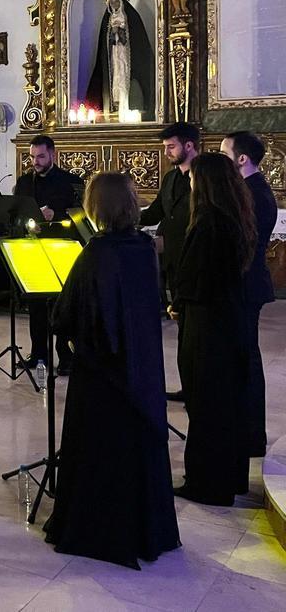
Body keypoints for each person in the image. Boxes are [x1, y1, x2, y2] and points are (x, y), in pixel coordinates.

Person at [43, 173, 181, 568]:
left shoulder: (96, 254)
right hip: (141, 368)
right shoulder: (142, 248)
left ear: (95, 207)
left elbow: (65, 317)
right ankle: (146, 528)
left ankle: (97, 527)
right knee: (139, 443)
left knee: (100, 446)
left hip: (102, 374)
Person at [173, 152, 255, 507]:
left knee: (206, 403)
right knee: (226, 403)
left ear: (203, 183)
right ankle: (231, 477)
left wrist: (176, 302)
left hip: (208, 325)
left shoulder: (207, 222)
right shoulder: (233, 215)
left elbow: (195, 278)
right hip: (228, 320)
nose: (189, 182)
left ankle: (208, 484)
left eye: (193, 178)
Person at [221, 131, 276, 458]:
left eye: (224, 151)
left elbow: (243, 245)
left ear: (241, 159)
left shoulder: (254, 193)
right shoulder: (250, 189)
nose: (218, 154)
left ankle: (252, 434)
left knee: (246, 361)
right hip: (244, 284)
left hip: (245, 285)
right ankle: (246, 430)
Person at [14, 134, 84, 372]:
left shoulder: (70, 181)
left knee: (62, 306)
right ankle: (38, 355)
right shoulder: (24, 182)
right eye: (32, 156)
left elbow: (80, 216)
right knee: (36, 306)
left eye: (41, 156)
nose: (36, 161)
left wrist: (58, 215)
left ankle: (66, 357)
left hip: (60, 248)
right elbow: (17, 212)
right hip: (33, 248)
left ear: (53, 154)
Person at [140, 122, 200, 400]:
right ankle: (188, 387)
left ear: (189, 145)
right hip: (174, 266)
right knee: (183, 331)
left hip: (196, 266)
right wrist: (125, 218)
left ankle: (199, 389)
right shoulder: (171, 178)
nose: (166, 152)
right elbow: (156, 212)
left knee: (196, 333)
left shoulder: (207, 178)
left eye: (171, 146)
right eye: (164, 147)